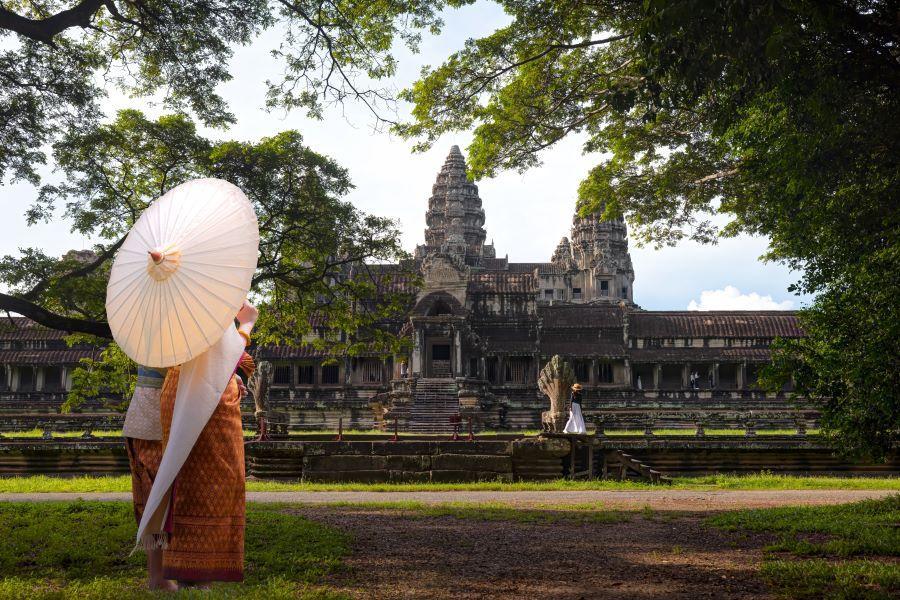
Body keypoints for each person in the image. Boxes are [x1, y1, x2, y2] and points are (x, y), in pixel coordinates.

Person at [142, 301, 258, 587]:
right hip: (206, 394)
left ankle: (185, 570)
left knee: (184, 478)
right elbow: (227, 356)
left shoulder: (171, 305)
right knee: (213, 480)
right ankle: (196, 574)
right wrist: (247, 324)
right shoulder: (204, 303)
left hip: (179, 386)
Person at [123, 365, 176, 592]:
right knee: (157, 499)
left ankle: (160, 574)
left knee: (154, 498)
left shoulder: (148, 333)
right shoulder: (167, 339)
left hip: (143, 419)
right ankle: (158, 576)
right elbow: (177, 372)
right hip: (155, 421)